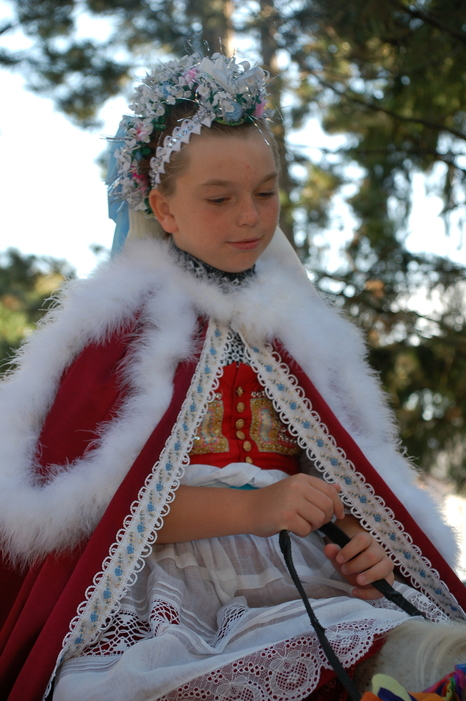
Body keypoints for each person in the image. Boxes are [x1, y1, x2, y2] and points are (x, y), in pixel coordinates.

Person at [0, 51, 465, 701]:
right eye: (220, 198)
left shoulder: (304, 333)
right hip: (168, 591)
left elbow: (352, 476)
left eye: (266, 192)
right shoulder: (123, 331)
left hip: (305, 576)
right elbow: (101, 512)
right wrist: (253, 508)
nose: (251, 216)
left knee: (419, 655)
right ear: (163, 208)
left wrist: (366, 540)